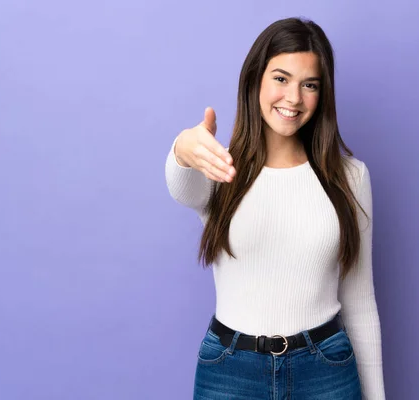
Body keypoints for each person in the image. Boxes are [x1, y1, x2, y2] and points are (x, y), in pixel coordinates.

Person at [165, 17, 385, 400]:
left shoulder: (350, 177)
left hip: (326, 370)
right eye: (281, 78)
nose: (294, 98)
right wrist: (183, 148)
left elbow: (360, 301)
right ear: (255, 80)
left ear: (323, 94)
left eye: (309, 84)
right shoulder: (220, 167)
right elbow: (182, 187)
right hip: (231, 373)